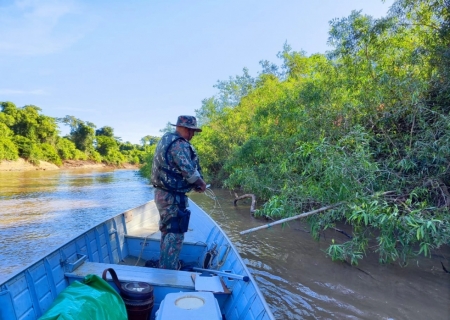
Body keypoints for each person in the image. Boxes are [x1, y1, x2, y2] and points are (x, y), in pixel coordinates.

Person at [151, 115, 207, 269]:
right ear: (184, 128)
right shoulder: (179, 144)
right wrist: (201, 184)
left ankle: (165, 264)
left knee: (167, 230)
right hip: (171, 196)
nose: (193, 135)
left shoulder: (166, 139)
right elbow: (189, 171)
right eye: (191, 131)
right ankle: (169, 269)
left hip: (161, 194)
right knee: (175, 232)